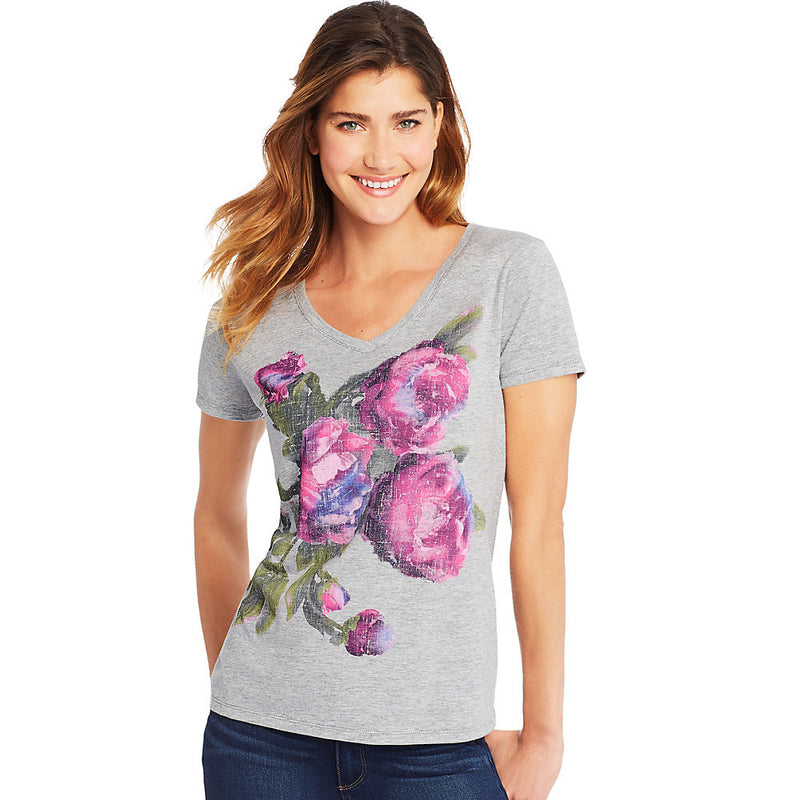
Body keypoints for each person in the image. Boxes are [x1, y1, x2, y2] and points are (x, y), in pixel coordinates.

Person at [194, 2, 585, 798]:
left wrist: (543, 737)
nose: (381, 154)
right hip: (260, 742)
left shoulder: (508, 275)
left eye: (406, 121)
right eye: (351, 123)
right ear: (312, 132)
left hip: (440, 745)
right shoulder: (254, 302)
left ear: (439, 124)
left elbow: (540, 524)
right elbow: (215, 514)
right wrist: (237, 687)